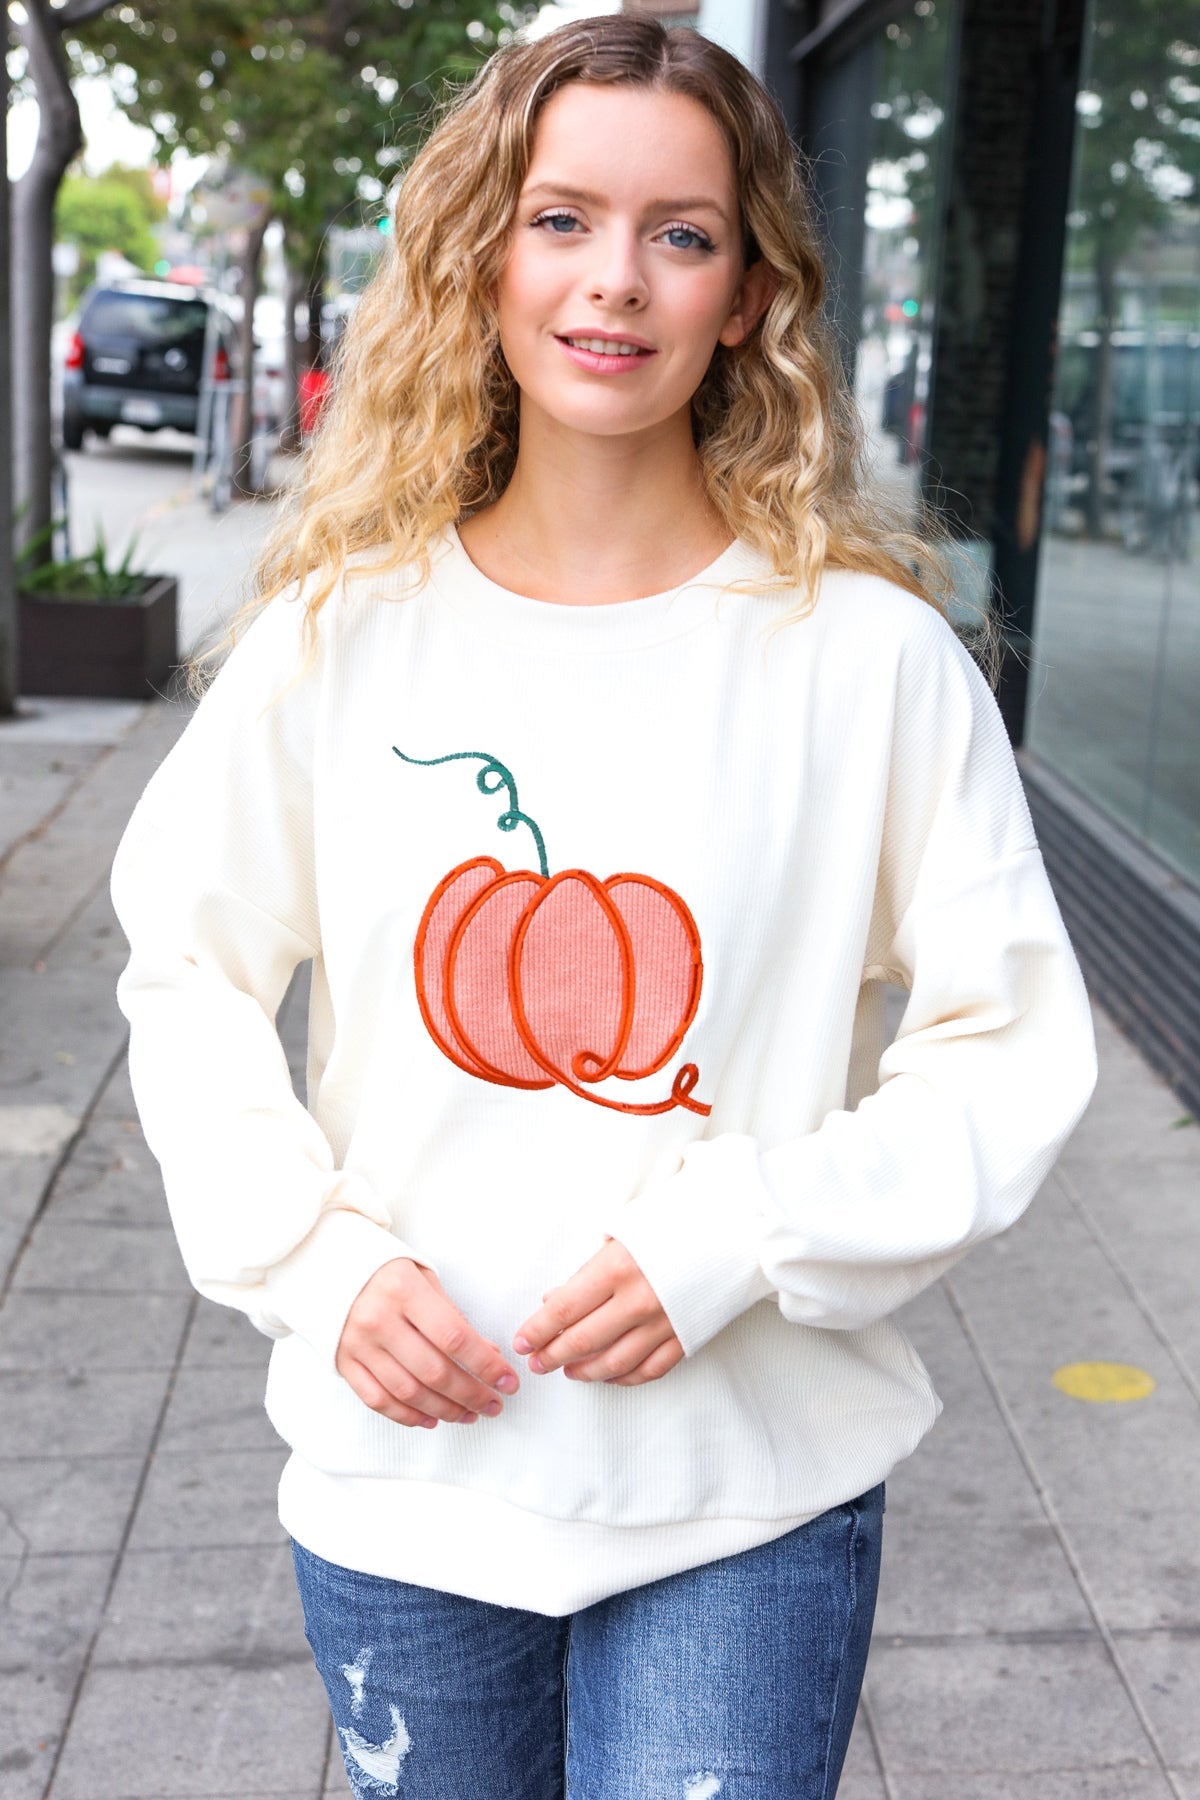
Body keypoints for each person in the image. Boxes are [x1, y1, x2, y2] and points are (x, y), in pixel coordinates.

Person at [109, 15, 1097, 1798]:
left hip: (747, 1495)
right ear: (483, 252)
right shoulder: (342, 634)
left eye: (683, 232)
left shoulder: (867, 659)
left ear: (748, 289)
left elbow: (1006, 1051)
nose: (615, 282)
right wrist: (314, 1261)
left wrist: (741, 1238)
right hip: (404, 1488)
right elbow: (186, 971)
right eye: (561, 218)